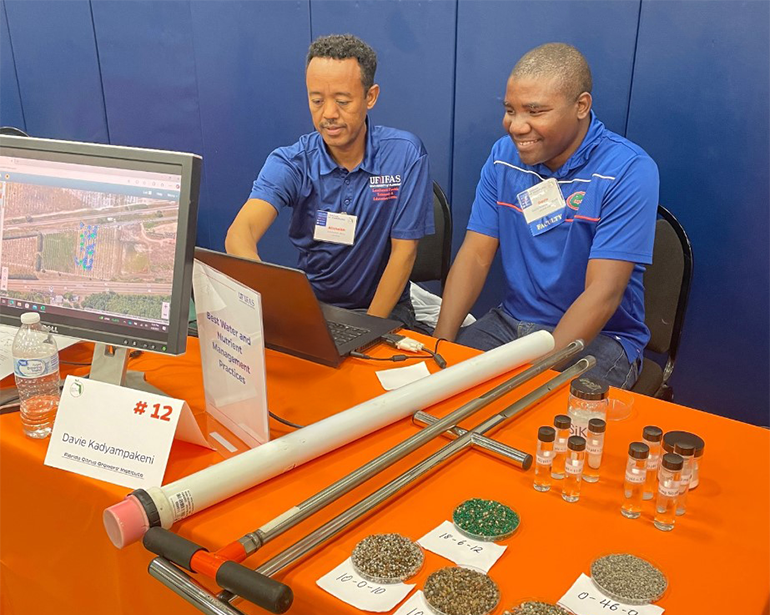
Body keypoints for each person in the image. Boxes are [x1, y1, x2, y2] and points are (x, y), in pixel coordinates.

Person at [434, 43, 659, 388]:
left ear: (581, 106)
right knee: (438, 392)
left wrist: (534, 376)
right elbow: (476, 255)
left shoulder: (628, 169)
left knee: (526, 418)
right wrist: (440, 348)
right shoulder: (502, 157)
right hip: (510, 324)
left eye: (535, 112)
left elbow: (604, 293)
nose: (517, 126)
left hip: (601, 338)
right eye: (510, 110)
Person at [225, 34, 434, 329]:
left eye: (343, 101)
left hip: (383, 310)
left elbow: (404, 252)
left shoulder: (405, 155)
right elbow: (240, 233)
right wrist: (272, 298)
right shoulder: (293, 162)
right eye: (317, 100)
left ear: (370, 96)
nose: (329, 115)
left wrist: (367, 329)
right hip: (314, 309)